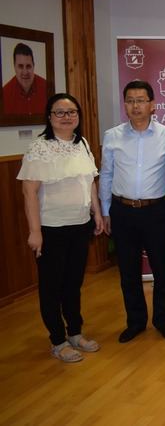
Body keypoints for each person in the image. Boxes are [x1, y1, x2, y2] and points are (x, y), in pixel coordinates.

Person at [17, 93, 104, 362]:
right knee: (51, 286)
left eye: (72, 112)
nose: (67, 117)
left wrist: (97, 212)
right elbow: (29, 192)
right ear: (50, 116)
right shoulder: (39, 147)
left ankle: (75, 332)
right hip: (50, 227)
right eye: (60, 112)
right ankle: (57, 339)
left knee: (73, 283)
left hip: (80, 225)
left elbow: (89, 180)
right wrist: (34, 232)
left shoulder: (82, 144)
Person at [100, 80, 165, 343]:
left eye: (141, 100)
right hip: (122, 211)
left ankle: (162, 320)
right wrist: (106, 211)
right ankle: (135, 322)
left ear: (152, 104)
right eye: (130, 100)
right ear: (125, 105)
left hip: (156, 211)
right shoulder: (112, 136)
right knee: (128, 271)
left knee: (161, 269)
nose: (136, 105)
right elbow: (107, 175)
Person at [2, 43, 48, 115]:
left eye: (28, 66)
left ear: (33, 66)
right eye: (20, 66)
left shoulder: (47, 88)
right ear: (14, 67)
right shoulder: (4, 95)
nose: (25, 72)